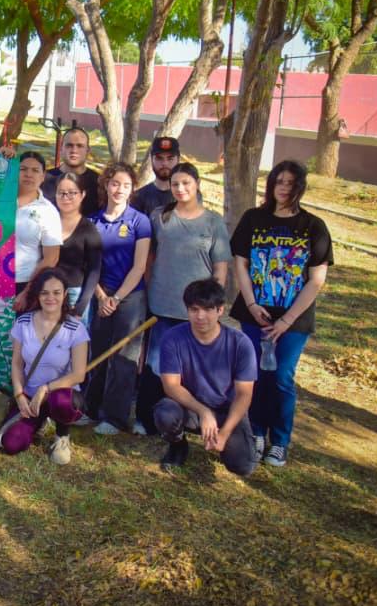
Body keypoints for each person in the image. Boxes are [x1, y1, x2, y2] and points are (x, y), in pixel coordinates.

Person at [230, 160, 332, 468]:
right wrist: (250, 304)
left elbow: (316, 280)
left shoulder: (313, 226)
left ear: (299, 186)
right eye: (279, 181)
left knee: (282, 378)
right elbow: (241, 265)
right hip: (255, 314)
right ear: (271, 184)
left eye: (290, 182)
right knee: (255, 375)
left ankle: (280, 441)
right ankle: (256, 433)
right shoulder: (253, 219)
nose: (284, 187)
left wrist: (286, 321)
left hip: (294, 321)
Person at [139, 163, 231, 434]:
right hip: (162, 304)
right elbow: (149, 256)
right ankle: (148, 419)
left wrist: (213, 304)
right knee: (156, 364)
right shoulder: (160, 217)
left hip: (197, 310)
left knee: (192, 367)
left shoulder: (213, 222)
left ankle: (189, 419)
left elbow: (220, 267)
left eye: (186, 184)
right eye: (176, 184)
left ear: (197, 184)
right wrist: (148, 286)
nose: (180, 189)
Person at [155, 278, 258, 477]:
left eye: (208, 309)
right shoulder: (173, 338)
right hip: (190, 407)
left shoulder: (240, 343)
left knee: (243, 467)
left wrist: (225, 432)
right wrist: (204, 412)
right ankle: (177, 445)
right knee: (165, 413)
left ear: (220, 310)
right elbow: (171, 386)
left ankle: (224, 440)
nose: (200, 316)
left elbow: (244, 395)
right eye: (194, 309)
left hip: (227, 410)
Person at [85, 162, 152, 435]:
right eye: (115, 184)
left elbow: (139, 267)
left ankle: (115, 417)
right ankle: (90, 409)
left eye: (126, 185)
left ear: (132, 188)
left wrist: (116, 298)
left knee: (123, 358)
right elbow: (89, 266)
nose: (119, 190)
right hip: (99, 296)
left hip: (130, 298)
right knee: (98, 354)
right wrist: (101, 297)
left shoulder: (139, 221)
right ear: (106, 185)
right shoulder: (92, 221)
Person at [0, 269, 90, 465]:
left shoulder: (75, 328)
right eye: (44, 292)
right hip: (30, 397)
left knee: (63, 403)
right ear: (37, 295)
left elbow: (79, 374)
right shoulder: (23, 323)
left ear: (65, 294)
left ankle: (62, 436)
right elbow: (17, 363)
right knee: (11, 443)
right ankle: (37, 422)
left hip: (59, 394)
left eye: (56, 292)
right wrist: (19, 395)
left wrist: (46, 388)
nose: (51, 298)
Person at [13, 151, 62, 310]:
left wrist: (27, 292)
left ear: (43, 176)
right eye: (23, 169)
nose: (28, 174)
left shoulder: (48, 211)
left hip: (24, 284)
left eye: (35, 171)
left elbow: (51, 258)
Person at [52, 172, 102, 319]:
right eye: (61, 193)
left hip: (75, 296)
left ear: (82, 195)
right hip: (47, 293)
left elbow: (94, 270)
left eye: (72, 193)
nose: (66, 197)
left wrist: (80, 308)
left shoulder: (89, 229)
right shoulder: (47, 223)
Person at [42, 128, 100, 216]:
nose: (74, 150)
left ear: (88, 150)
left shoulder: (99, 183)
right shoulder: (43, 179)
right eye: (69, 145)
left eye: (80, 146)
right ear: (61, 148)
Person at [131, 136, 180, 217]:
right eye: (159, 158)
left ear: (178, 159)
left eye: (170, 159)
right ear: (151, 159)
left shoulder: (186, 196)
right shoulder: (138, 198)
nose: (165, 163)